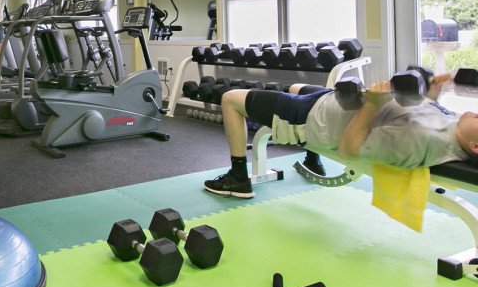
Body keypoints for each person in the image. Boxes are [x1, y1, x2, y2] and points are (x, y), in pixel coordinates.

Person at [205, 74, 478, 199]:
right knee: (297, 86)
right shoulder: (454, 125)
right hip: (329, 103)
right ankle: (312, 162)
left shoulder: (422, 141)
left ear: (475, 147)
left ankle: (238, 179)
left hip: (312, 118)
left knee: (230, 98)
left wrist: (373, 104)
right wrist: (434, 94)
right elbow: (423, 114)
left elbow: (350, 150)